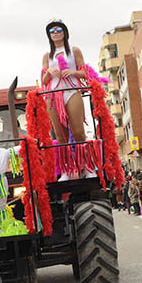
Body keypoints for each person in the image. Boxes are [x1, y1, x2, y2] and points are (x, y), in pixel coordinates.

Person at [41, 19, 95, 180]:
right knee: (60, 136)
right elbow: (44, 81)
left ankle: (87, 167)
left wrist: (72, 73)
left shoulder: (74, 50)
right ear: (49, 35)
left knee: (79, 132)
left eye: (58, 29)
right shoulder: (47, 55)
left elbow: (86, 72)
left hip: (71, 90)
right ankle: (65, 170)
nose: (55, 33)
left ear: (65, 32)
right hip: (53, 95)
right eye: (52, 31)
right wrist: (49, 71)